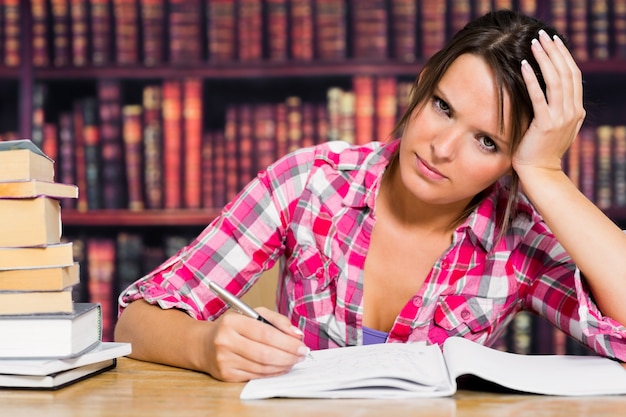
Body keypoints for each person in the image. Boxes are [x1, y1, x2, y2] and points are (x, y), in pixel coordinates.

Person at [115, 9, 626, 382]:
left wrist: (544, 171)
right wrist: (205, 346)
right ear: (421, 85)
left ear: (512, 159)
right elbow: (134, 320)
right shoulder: (310, 182)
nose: (442, 149)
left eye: (488, 141)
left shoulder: (519, 240)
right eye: (443, 107)